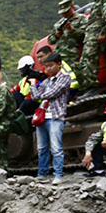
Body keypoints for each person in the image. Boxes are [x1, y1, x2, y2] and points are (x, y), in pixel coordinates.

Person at [31, 53, 71, 183]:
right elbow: (35, 96)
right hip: (43, 117)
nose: (48, 69)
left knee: (56, 147)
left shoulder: (65, 78)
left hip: (55, 116)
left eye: (50, 66)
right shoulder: (46, 81)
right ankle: (42, 173)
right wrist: (33, 86)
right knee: (41, 147)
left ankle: (58, 173)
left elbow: (52, 93)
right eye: (46, 67)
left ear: (59, 64)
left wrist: (38, 92)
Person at [78, 0, 106, 93]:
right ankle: (87, 88)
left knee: (90, 59)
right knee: (85, 60)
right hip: (92, 33)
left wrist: (104, 32)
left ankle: (92, 88)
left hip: (97, 32)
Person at [48, 0, 87, 78]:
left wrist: (72, 29)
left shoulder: (81, 19)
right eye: (63, 12)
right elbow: (50, 41)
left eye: (67, 11)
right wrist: (56, 35)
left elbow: (84, 35)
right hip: (58, 56)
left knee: (74, 77)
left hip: (72, 55)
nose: (65, 14)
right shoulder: (58, 24)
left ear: (72, 7)